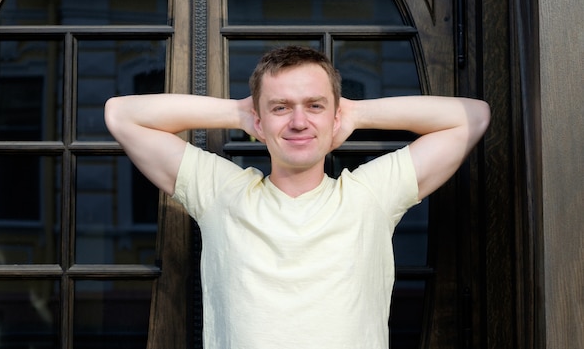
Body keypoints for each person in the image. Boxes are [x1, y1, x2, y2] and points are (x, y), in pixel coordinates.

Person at [104, 45, 491, 349]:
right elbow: (121, 114)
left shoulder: (369, 195)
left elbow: (471, 117)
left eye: (315, 106)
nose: (299, 121)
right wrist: (240, 112)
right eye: (281, 107)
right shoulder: (221, 192)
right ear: (259, 120)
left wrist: (354, 113)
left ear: (334, 118)